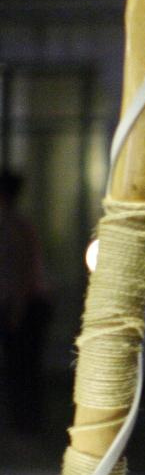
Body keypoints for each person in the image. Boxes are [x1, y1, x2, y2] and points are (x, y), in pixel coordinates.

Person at [0, 170, 52, 435]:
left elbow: (21, 270)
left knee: (23, 365)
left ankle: (26, 422)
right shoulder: (17, 224)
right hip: (25, 302)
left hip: (26, 304)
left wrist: (17, 308)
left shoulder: (14, 226)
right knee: (21, 366)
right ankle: (24, 421)